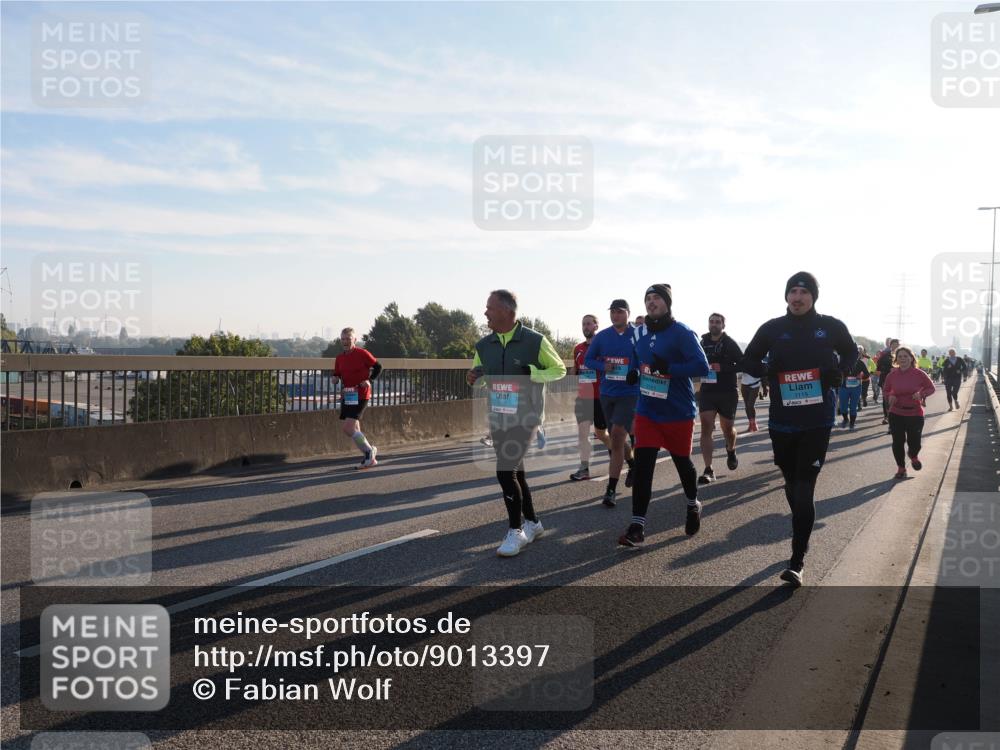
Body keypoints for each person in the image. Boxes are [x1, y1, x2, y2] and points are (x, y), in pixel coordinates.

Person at [742, 272, 857, 587]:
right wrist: (765, 370)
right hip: (781, 420)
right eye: (792, 291)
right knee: (792, 483)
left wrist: (839, 371)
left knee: (805, 488)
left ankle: (797, 561)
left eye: (803, 291)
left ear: (813, 296)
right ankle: (799, 517)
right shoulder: (772, 328)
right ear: (786, 297)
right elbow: (748, 359)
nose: (797, 296)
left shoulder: (831, 326)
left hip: (817, 420)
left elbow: (851, 352)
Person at [468, 290, 566, 557]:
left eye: (489, 307)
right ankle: (533, 523)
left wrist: (533, 373)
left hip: (528, 416)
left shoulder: (535, 341)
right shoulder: (484, 345)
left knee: (504, 470)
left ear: (507, 312)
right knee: (516, 473)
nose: (485, 312)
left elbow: (560, 369)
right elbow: (481, 375)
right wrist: (475, 377)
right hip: (499, 415)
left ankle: (515, 532)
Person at [617, 284, 710, 547]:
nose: (651, 301)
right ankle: (637, 526)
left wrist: (669, 367)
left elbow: (700, 366)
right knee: (644, 465)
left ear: (668, 303)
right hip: (648, 410)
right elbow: (637, 357)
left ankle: (693, 505)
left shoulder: (682, 332)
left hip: (678, 411)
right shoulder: (639, 333)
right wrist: (634, 371)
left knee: (683, 463)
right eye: (647, 298)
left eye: (656, 297)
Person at [585, 299, 639, 507]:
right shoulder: (603, 336)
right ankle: (632, 463)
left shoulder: (637, 334)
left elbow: (647, 358)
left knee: (616, 436)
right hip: (607, 393)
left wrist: (636, 372)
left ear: (627, 313)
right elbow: (589, 360)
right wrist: (602, 365)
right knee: (616, 439)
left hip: (630, 393)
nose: (615, 315)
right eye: (613, 312)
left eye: (619, 312)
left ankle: (610, 490)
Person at [697, 313, 744, 483]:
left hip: (727, 392)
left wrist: (722, 367)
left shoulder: (730, 343)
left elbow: (742, 363)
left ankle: (731, 449)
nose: (714, 324)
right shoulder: (702, 343)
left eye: (718, 322)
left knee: (727, 430)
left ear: (723, 325)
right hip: (708, 391)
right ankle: (708, 469)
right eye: (711, 321)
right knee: (706, 427)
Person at [570, 314, 613, 480]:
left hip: (601, 397)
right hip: (583, 397)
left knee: (602, 434)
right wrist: (574, 372)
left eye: (589, 324)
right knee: (582, 435)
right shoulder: (578, 349)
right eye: (583, 324)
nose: (585, 327)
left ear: (596, 326)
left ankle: (617, 457)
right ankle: (584, 468)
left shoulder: (603, 347)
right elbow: (576, 370)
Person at [332, 327, 383, 469]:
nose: (345, 341)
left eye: (348, 339)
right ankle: (369, 453)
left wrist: (370, 380)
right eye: (343, 339)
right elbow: (337, 373)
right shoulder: (339, 358)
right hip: (349, 394)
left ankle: (369, 454)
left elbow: (378, 367)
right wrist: (335, 378)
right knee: (355, 427)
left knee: (348, 428)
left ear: (354, 339)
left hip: (362, 394)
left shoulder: (362, 353)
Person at [883, 347, 936, 479]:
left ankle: (913, 456)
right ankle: (901, 468)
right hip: (896, 413)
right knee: (897, 442)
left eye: (905, 356)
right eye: (900, 356)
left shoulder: (919, 374)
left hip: (915, 413)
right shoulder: (892, 375)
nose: (903, 359)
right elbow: (886, 390)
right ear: (896, 359)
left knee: (915, 442)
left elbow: (931, 388)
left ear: (911, 358)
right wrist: (890, 396)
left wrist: (921, 394)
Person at [838, 346, 869, 429]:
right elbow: (836, 372)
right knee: (843, 406)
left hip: (856, 387)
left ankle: (852, 423)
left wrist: (861, 375)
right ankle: (845, 419)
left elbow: (867, 374)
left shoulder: (860, 363)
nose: (856, 355)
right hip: (843, 387)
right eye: (855, 354)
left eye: (858, 354)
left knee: (853, 406)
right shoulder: (842, 362)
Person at [876, 339, 900, 426]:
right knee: (886, 399)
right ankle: (887, 417)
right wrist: (887, 370)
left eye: (897, 345)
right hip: (886, 380)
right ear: (890, 345)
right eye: (893, 344)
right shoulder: (885, 355)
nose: (895, 346)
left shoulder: (902, 356)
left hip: (899, 381)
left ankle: (896, 417)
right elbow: (878, 368)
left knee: (898, 399)